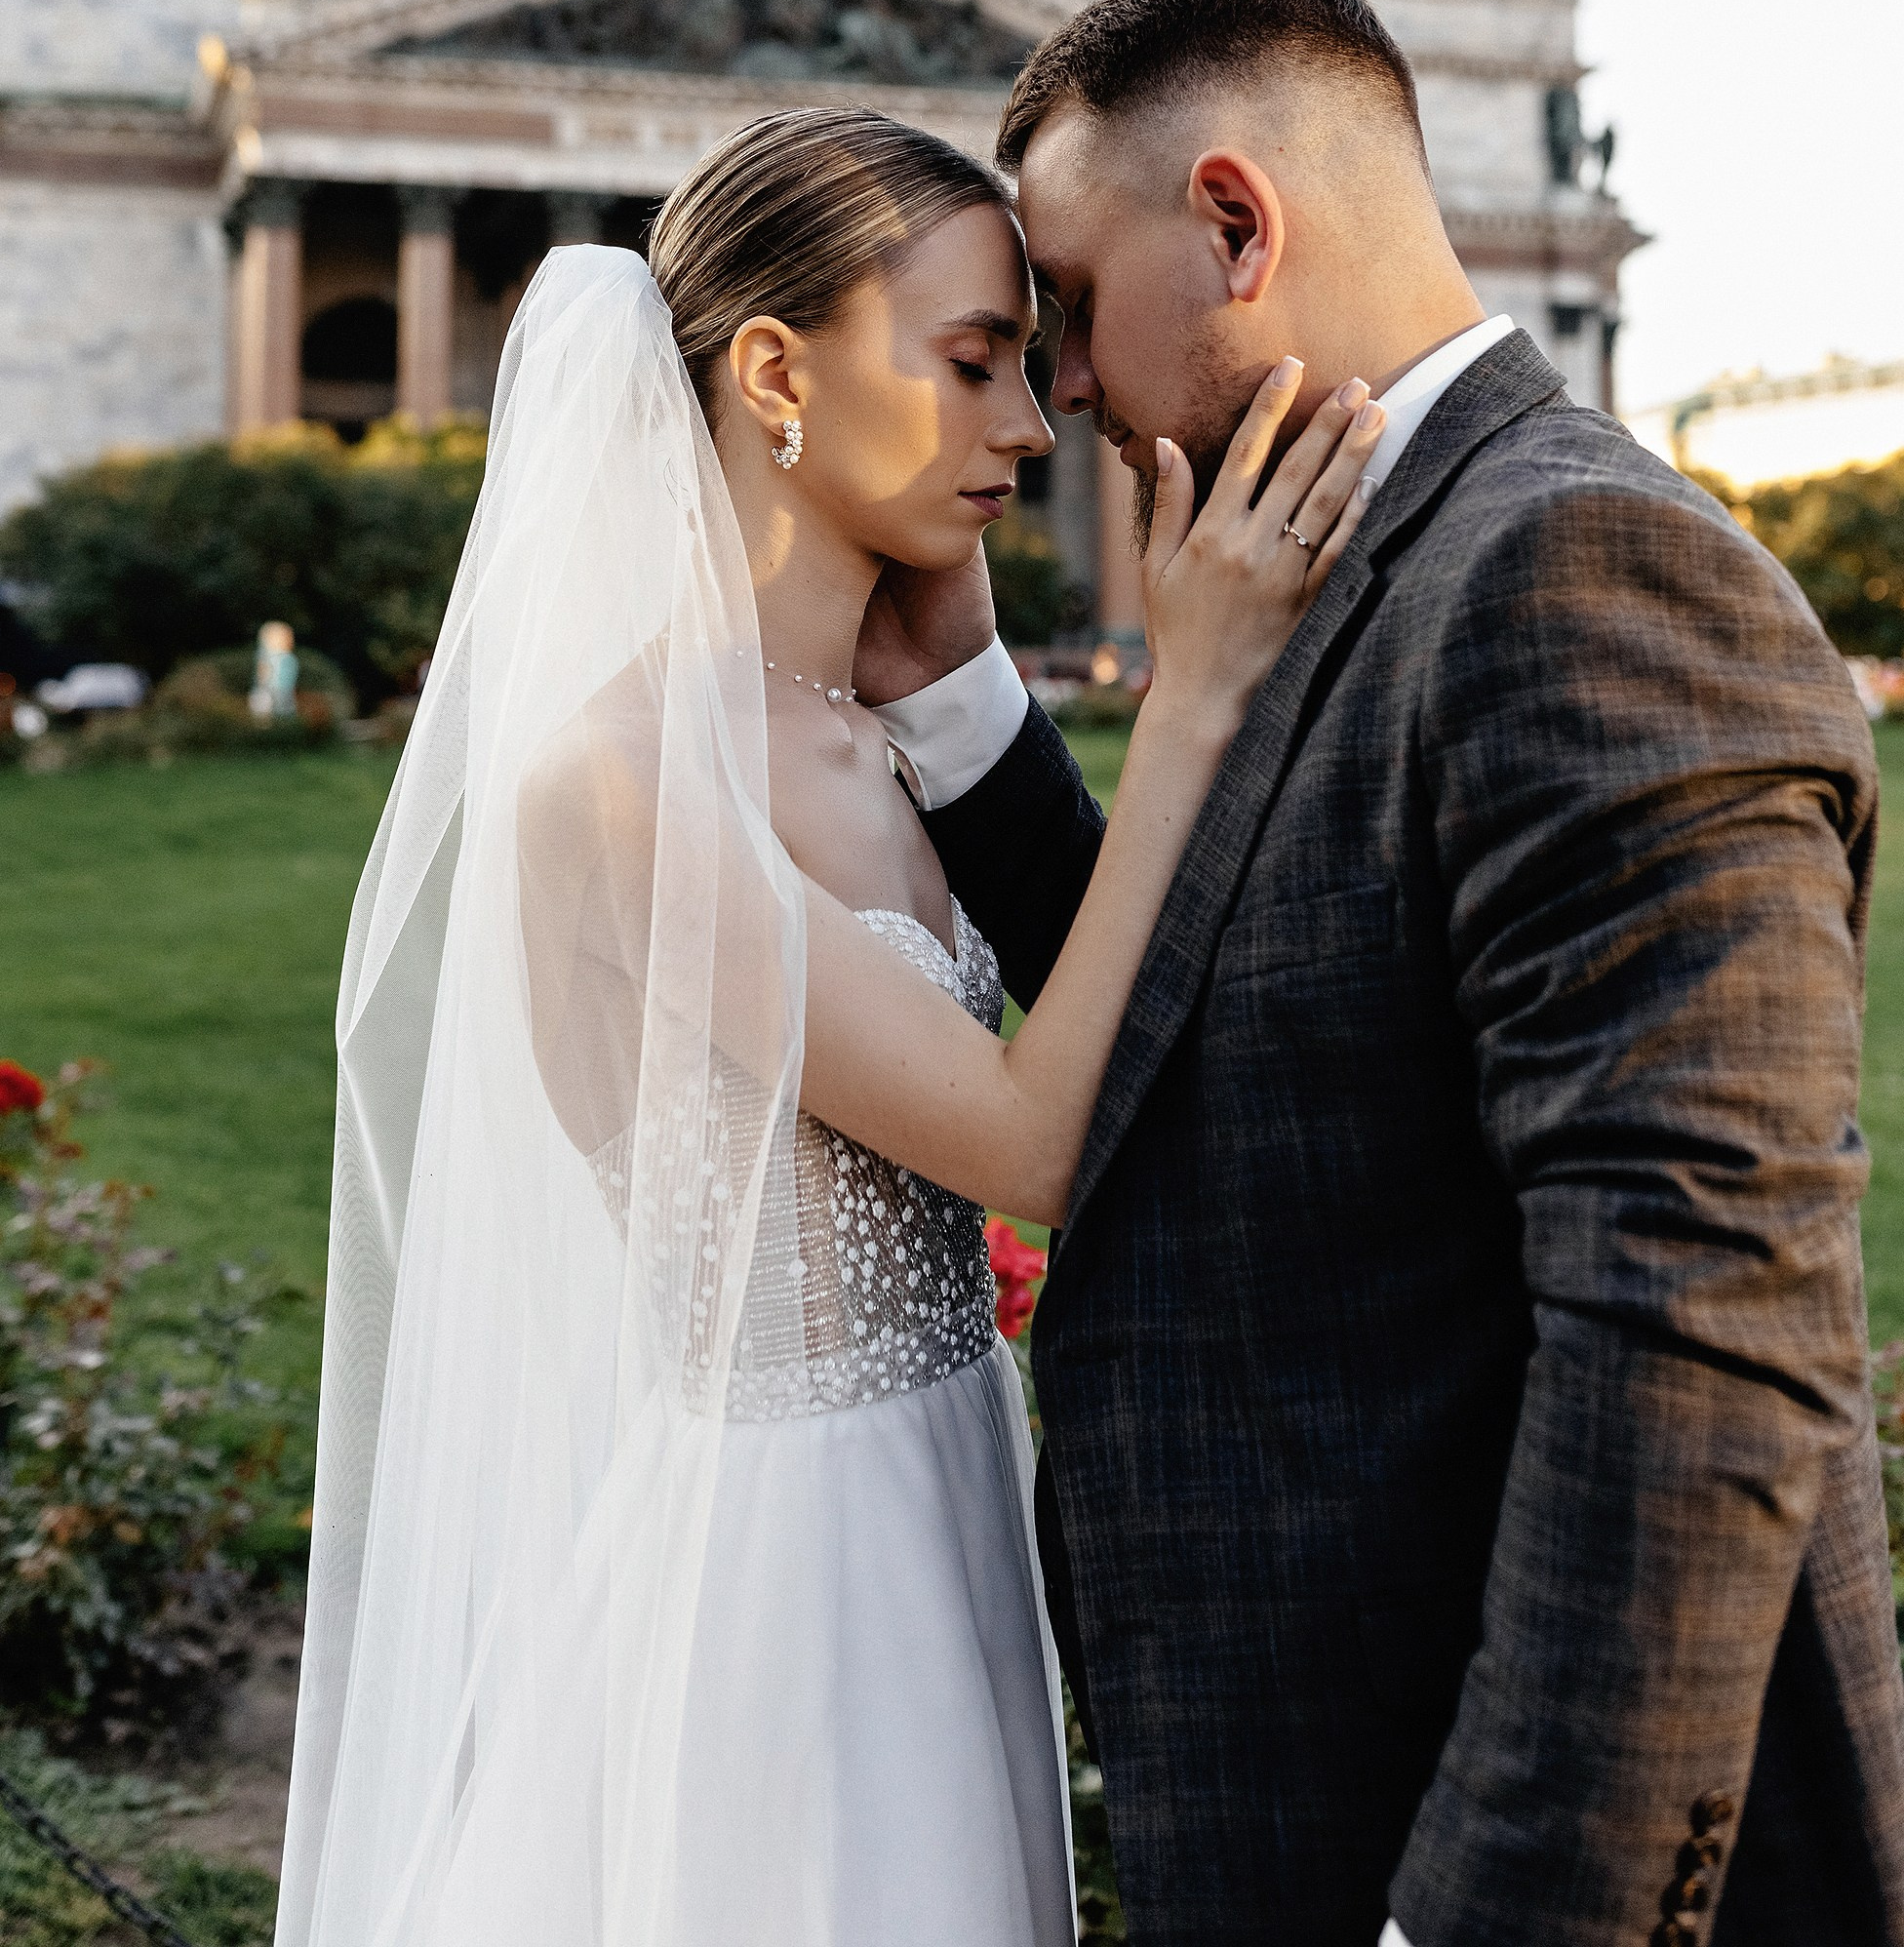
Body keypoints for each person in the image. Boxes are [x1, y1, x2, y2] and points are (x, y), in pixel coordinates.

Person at [857, 0, 1904, 1947]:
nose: (1061, 389)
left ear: (1235, 221)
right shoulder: (1354, 547)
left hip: (1483, 1853)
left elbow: (1694, 1344)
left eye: (1070, 307)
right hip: (1320, 1784)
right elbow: (1237, 1039)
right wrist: (966, 702)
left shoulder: (1581, 568)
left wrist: (1498, 1918)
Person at [274, 105, 1382, 1947]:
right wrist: (1194, 697)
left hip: (942, 1485)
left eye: (1028, 367)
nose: (1035, 428)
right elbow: (1028, 1142)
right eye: (973, 365)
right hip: (789, 1574)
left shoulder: (872, 729)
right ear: (776, 373)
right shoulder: (622, 784)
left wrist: (967, 687)